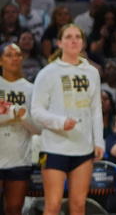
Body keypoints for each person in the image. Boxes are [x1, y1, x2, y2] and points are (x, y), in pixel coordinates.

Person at [31, 24, 104, 215]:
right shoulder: (48, 72)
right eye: (69, 37)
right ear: (59, 42)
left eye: (78, 37)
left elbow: (96, 109)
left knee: (79, 205)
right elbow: (36, 110)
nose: (74, 41)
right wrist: (60, 122)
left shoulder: (92, 73)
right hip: (55, 147)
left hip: (83, 147)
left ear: (83, 42)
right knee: (53, 205)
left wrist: (98, 141)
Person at [0, 43, 40, 215]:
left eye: (17, 55)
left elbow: (38, 128)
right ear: (0, 60)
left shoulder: (31, 89)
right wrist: (13, 113)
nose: (14, 58)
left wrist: (23, 116)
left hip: (19, 157)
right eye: (9, 55)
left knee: (15, 209)